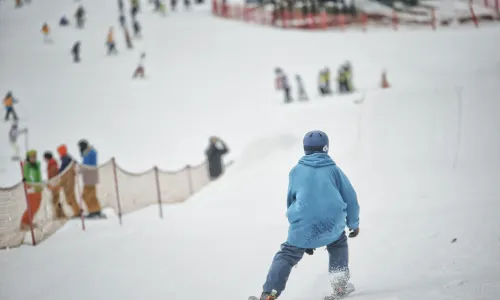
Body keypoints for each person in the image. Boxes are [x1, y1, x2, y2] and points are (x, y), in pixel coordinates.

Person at [259, 130, 360, 300]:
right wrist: (354, 224)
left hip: (303, 226)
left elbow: (291, 200)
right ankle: (340, 286)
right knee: (338, 244)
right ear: (326, 148)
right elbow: (351, 199)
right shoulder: (334, 171)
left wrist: (300, 228)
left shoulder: (296, 171)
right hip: (332, 225)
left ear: (305, 149)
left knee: (287, 255)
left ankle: (270, 293)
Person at [78, 139, 105, 218]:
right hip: (90, 178)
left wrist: (80, 169)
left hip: (90, 178)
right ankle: (96, 210)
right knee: (91, 195)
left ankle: (94, 211)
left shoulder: (89, 153)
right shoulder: (89, 152)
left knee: (86, 195)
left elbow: (87, 165)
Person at [20, 150, 44, 231]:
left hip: (38, 188)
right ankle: (24, 222)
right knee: (32, 206)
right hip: (31, 188)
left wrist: (40, 184)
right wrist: (28, 184)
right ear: (28, 158)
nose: (34, 158)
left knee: (36, 206)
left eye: (35, 156)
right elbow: (28, 176)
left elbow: (38, 176)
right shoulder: (27, 166)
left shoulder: (36, 165)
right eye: (32, 157)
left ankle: (29, 221)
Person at [57, 144, 81, 217]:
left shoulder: (66, 159)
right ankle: (77, 211)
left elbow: (63, 170)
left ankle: (77, 212)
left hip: (68, 180)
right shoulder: (68, 158)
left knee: (70, 197)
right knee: (70, 197)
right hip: (68, 180)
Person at [44, 151, 65, 219]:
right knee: (56, 199)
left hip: (55, 185)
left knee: (55, 200)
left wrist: (51, 185)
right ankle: (60, 214)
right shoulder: (52, 163)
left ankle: (60, 214)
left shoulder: (52, 164)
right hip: (55, 185)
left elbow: (53, 176)